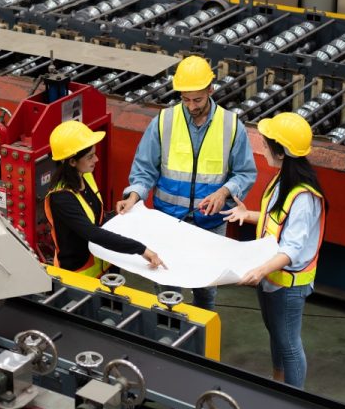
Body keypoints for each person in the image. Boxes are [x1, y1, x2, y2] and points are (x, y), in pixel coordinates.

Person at [116, 56, 257, 310]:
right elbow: (144, 169)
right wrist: (134, 196)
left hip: (209, 227)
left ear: (211, 89)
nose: (191, 106)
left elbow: (245, 173)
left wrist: (224, 191)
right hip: (168, 224)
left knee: (205, 292)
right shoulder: (164, 122)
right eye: (185, 99)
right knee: (166, 290)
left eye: (198, 99)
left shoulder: (231, 126)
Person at [222, 112, 326, 389]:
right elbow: (277, 222)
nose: (263, 147)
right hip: (271, 278)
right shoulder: (284, 180)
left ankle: (294, 401)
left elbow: (291, 249)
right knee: (276, 334)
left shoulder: (303, 197)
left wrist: (259, 270)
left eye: (266, 144)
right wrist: (248, 214)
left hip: (287, 284)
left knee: (290, 345)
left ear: (280, 152)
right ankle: (278, 384)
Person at [44, 120, 165, 277]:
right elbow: (92, 233)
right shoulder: (61, 198)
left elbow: (97, 218)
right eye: (90, 157)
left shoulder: (85, 176)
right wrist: (140, 249)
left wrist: (122, 215)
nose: (96, 160)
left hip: (106, 264)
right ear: (72, 162)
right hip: (80, 277)